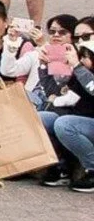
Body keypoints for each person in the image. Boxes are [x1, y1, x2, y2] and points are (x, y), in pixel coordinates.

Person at [38, 39, 94, 192]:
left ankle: (92, 168)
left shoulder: (82, 72)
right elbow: (52, 92)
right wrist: (43, 66)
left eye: (86, 56)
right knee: (39, 119)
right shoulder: (80, 73)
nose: (81, 60)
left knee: (64, 124)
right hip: (77, 120)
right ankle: (61, 166)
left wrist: (77, 67)